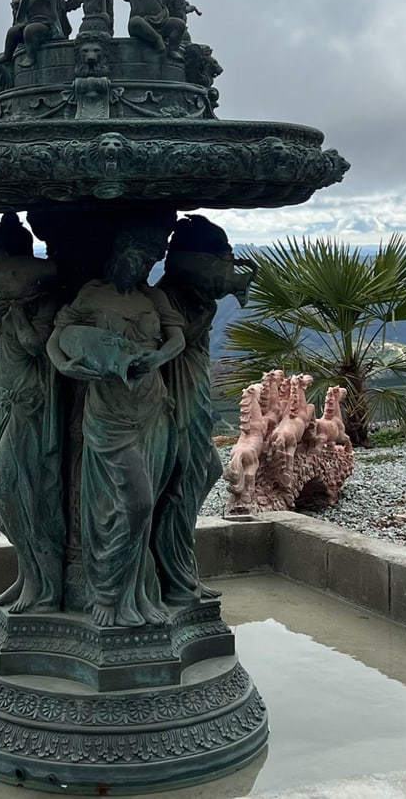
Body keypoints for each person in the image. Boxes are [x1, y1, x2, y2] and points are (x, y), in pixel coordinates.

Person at [47, 222, 185, 628]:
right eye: (138, 258)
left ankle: (137, 595)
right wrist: (64, 364)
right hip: (109, 412)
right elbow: (58, 337)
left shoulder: (153, 296)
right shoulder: (92, 293)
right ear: (120, 254)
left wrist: (158, 359)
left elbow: (177, 339)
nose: (142, 267)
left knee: (145, 507)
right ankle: (105, 594)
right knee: (131, 504)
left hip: (152, 407)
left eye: (149, 261)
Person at [154, 216, 258, 603]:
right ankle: (174, 573)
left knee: (201, 470)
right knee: (186, 476)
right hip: (176, 398)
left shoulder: (191, 294)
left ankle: (179, 566)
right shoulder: (168, 296)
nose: (228, 265)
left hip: (192, 393)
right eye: (222, 257)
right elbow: (175, 342)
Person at [0, 213, 65, 613]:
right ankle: (27, 575)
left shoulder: (42, 297)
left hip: (33, 405)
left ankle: (46, 585)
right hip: (8, 401)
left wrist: (19, 308)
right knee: (14, 498)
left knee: (10, 487)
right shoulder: (4, 296)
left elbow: (35, 347)